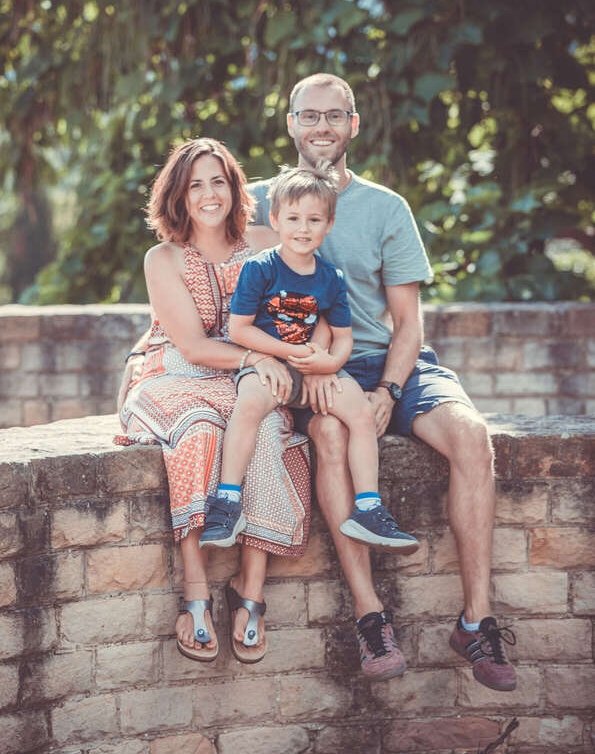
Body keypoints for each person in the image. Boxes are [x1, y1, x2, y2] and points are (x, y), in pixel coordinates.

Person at [249, 73, 517, 691]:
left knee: (473, 436)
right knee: (332, 440)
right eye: (309, 115)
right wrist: (313, 367)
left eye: (334, 116)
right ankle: (371, 618)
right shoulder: (261, 200)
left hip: (394, 367)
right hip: (314, 367)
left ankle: (476, 620)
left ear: (353, 125)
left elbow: (408, 325)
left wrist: (388, 392)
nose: (321, 127)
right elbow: (239, 292)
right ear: (290, 122)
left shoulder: (387, 207)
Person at [117, 138, 312, 665]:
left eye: (218, 181)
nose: (209, 194)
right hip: (174, 373)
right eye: (195, 184)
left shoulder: (270, 242)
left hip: (250, 373)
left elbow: (302, 308)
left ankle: (250, 594)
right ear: (178, 195)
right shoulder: (164, 258)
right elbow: (193, 346)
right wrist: (254, 361)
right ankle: (195, 594)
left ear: (234, 187)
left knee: (269, 431)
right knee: (201, 428)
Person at [199, 163, 418, 564]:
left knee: (362, 414)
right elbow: (240, 329)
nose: (303, 228)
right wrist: (286, 355)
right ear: (276, 219)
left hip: (315, 368)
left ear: (328, 225)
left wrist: (329, 364)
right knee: (247, 406)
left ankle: (368, 507)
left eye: (314, 220)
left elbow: (344, 335)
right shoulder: (260, 267)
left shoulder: (331, 277)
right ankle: (227, 502)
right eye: (294, 218)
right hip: (272, 367)